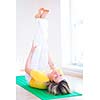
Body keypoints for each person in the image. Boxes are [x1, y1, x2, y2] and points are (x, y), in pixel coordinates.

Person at [25, 8, 71, 95]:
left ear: (51, 81)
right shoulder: (59, 73)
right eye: (60, 75)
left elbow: (26, 69)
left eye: (56, 76)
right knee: (44, 43)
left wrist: (31, 51)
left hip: (30, 77)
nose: (58, 73)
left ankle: (39, 19)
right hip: (42, 71)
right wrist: (46, 48)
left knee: (37, 46)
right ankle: (41, 19)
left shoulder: (41, 78)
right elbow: (51, 64)